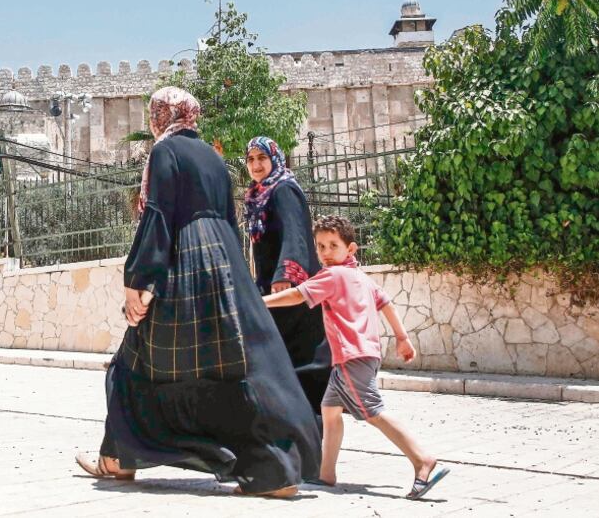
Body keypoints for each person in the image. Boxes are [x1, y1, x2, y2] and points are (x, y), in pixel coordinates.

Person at [75, 87, 321, 498]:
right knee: (229, 368)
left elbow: (159, 216)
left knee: (133, 361)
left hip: (182, 264)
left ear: (162, 115)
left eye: (154, 113)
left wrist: (139, 280)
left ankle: (117, 459)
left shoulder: (164, 152)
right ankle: (272, 469)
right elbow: (229, 219)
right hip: (224, 269)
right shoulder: (213, 156)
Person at [264, 215, 449, 500]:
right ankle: (326, 475)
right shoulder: (360, 277)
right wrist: (402, 337)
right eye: (320, 246)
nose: (326, 253)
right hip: (362, 356)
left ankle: (422, 460)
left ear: (350, 249)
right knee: (330, 410)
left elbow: (298, 295)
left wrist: (261, 302)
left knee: (372, 411)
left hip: (351, 357)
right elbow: (385, 302)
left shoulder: (332, 276)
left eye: (333, 246)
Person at [244, 137, 330, 413]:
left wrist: (285, 274)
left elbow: (295, 233)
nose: (256, 165)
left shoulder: (283, 189)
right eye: (251, 159)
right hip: (272, 286)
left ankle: (310, 417)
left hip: (290, 287)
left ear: (275, 159)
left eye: (262, 158)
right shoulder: (259, 194)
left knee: (298, 353)